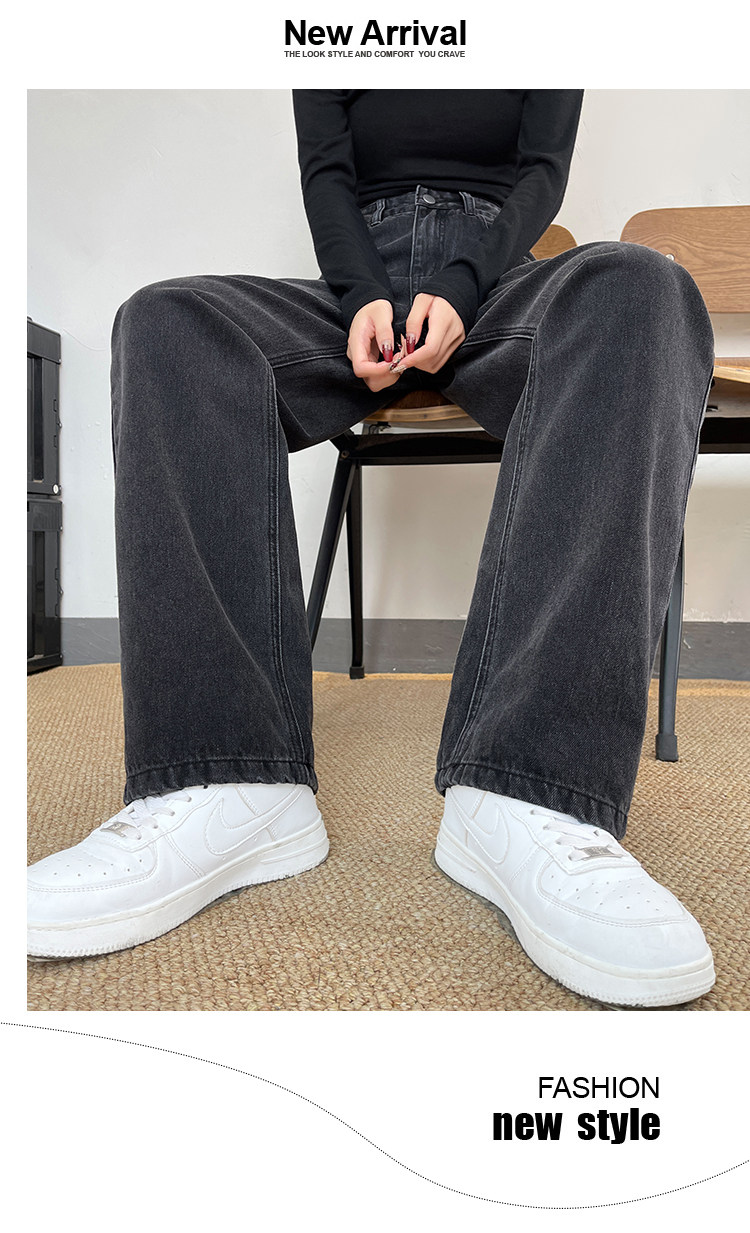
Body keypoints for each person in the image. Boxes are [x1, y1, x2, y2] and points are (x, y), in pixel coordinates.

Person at [27, 89, 716, 1007]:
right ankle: (232, 778)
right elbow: (327, 173)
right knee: (168, 318)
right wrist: (360, 298)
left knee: (642, 286)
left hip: (498, 283)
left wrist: (461, 286)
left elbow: (542, 172)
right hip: (355, 288)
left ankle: (526, 789)